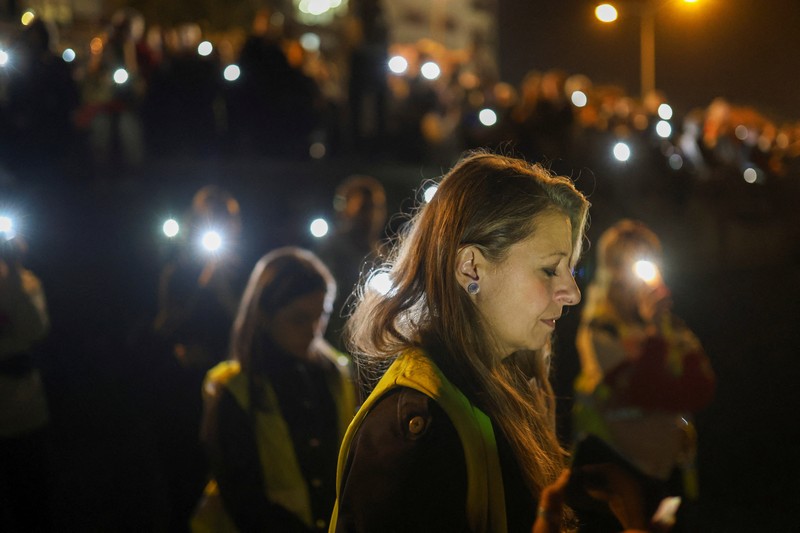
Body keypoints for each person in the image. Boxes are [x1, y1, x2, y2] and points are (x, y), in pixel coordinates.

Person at [329, 151, 654, 532]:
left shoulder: (496, 386)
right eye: (550, 269)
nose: (572, 293)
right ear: (471, 269)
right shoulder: (418, 429)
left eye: (570, 269)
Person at [192, 247, 356, 533]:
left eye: (322, 315)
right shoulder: (233, 389)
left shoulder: (337, 375)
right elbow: (244, 501)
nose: (314, 330)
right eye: (299, 318)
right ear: (264, 315)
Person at [572, 219, 716, 531]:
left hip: (670, 473)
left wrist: (658, 328)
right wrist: (655, 337)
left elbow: (701, 390)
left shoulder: (672, 326)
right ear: (612, 272)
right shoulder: (601, 330)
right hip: (621, 477)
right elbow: (644, 392)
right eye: (626, 263)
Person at [0, 218, 53, 531]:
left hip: (25, 411)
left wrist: (14, 273)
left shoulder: (27, 282)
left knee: (32, 501)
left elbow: (36, 330)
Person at [315, 174, 387, 354]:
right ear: (344, 210)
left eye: (376, 207)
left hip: (370, 349)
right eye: (364, 207)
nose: (371, 215)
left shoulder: (382, 255)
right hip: (338, 348)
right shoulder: (331, 251)